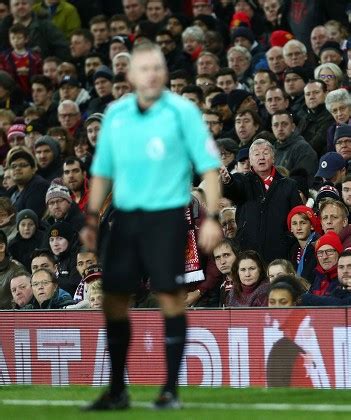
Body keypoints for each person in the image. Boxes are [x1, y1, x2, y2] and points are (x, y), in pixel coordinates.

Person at [83, 42, 222, 411]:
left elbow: (209, 168)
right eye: (143, 68)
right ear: (130, 75)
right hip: (126, 218)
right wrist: (91, 217)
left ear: (164, 72)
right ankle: (117, 390)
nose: (152, 74)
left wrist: (211, 216)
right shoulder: (115, 115)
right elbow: (102, 171)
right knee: (113, 298)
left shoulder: (183, 112)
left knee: (169, 296)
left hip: (167, 216)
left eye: (157, 67)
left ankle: (170, 390)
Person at [220, 139, 301, 262]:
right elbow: (234, 188)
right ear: (251, 160)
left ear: (273, 158)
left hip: (281, 255)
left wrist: (287, 239)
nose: (261, 157)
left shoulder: (289, 185)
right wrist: (227, 180)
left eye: (265, 153)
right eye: (256, 154)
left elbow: (297, 215)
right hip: (249, 254)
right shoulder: (242, 181)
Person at [287, 205, 321, 284]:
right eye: (294, 223)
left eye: (303, 223)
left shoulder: (319, 246)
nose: (298, 228)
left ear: (311, 226)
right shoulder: (293, 250)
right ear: (291, 228)